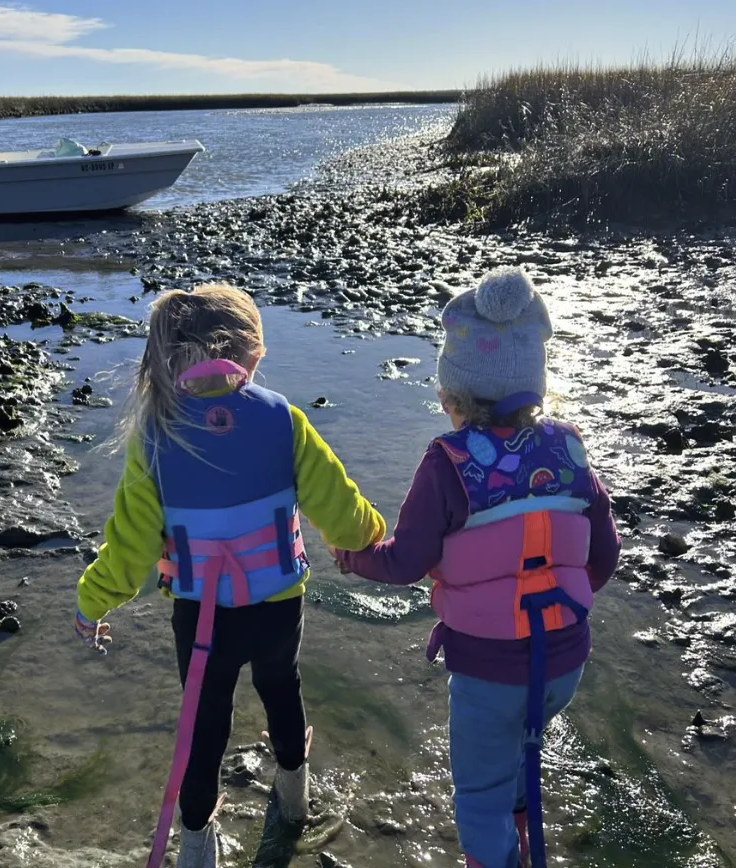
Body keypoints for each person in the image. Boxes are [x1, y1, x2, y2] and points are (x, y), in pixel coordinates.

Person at [74, 283, 385, 868]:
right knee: (281, 689)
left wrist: (91, 604)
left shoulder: (156, 435)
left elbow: (130, 547)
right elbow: (339, 511)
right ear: (247, 355)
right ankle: (294, 804)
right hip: (276, 605)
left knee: (204, 723)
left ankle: (197, 846)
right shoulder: (282, 419)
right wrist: (370, 536)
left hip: (200, 618)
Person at [331, 267, 621, 868]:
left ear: (451, 398)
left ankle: (496, 853)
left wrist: (356, 559)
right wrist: (561, 598)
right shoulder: (568, 448)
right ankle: (522, 816)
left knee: (477, 790)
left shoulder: (448, 464)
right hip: (565, 657)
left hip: (490, 668)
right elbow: (605, 555)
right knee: (522, 744)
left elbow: (408, 562)